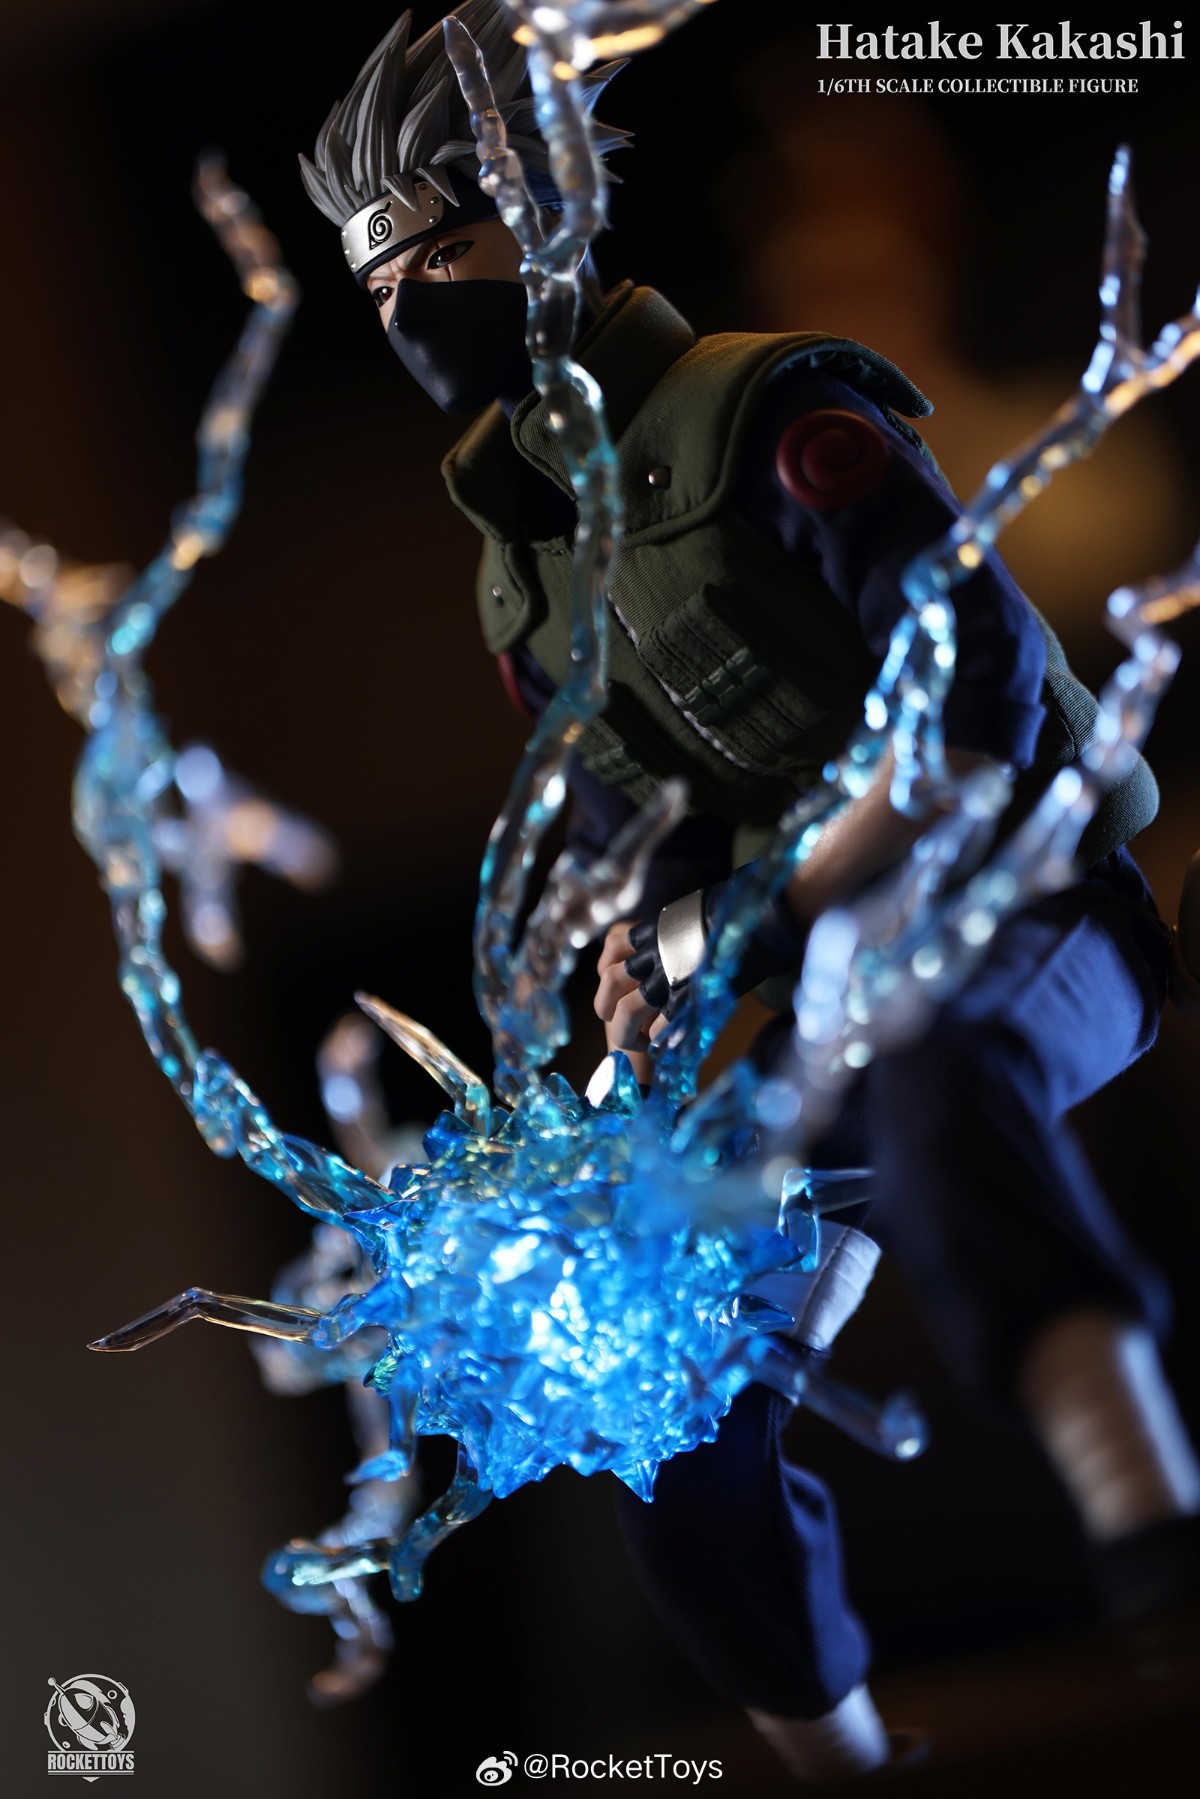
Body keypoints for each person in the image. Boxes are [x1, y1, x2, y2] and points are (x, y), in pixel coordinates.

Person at [302, 3, 1200, 1779]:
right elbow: (641, 840)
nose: (408, 306)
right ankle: (840, 1757)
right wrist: (641, 986)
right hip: (813, 1013)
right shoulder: (530, 570)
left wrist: (732, 925)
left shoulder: (775, 412)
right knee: (654, 1383)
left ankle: (1152, 1524)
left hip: (1032, 916)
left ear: (540, 221)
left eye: (436, 256)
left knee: (936, 1053)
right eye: (376, 279)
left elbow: (974, 720)